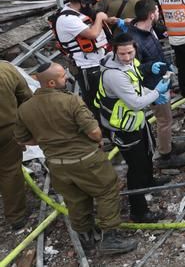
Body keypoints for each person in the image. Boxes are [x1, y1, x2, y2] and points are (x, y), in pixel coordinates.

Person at [15, 62, 138, 255]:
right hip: (86, 160)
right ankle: (110, 238)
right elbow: (95, 133)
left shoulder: (25, 109)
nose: (67, 78)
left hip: (56, 165)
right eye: (63, 76)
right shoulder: (71, 100)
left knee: (75, 200)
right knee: (107, 191)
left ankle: (86, 237)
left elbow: (23, 139)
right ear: (52, 83)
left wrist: (48, 140)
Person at [94, 34, 173, 222]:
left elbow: (136, 88)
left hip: (135, 120)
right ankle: (139, 210)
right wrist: (156, 93)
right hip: (123, 127)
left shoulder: (130, 64)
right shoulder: (114, 75)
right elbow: (135, 102)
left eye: (130, 52)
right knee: (135, 167)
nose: (128, 57)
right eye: (122, 54)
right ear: (114, 51)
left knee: (147, 151)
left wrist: (151, 93)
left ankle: (149, 181)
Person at [126, 0, 185, 166]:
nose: (159, 14)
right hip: (152, 86)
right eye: (157, 12)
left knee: (165, 118)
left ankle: (167, 144)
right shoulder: (135, 40)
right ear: (151, 15)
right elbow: (132, 67)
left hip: (160, 80)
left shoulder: (148, 30)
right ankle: (165, 155)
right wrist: (149, 68)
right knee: (164, 120)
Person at [51, 0, 111, 122]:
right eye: (90, 3)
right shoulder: (68, 19)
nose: (92, 7)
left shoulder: (75, 15)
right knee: (94, 101)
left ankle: (106, 127)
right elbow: (92, 33)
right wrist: (100, 17)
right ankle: (98, 130)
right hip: (86, 67)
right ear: (83, 2)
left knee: (104, 96)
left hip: (95, 62)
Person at [0, 60, 31, 230]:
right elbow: (26, 98)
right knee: (10, 171)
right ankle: (16, 217)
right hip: (7, 130)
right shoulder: (5, 69)